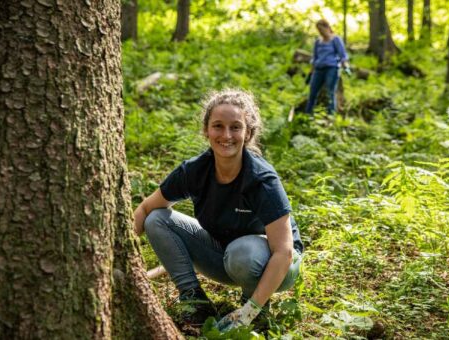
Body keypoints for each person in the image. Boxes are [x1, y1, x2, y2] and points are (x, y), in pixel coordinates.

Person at [133, 89, 304, 331]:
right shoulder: (195, 171)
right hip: (224, 256)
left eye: (235, 127)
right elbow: (146, 208)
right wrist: (115, 257)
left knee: (242, 252)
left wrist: (249, 312)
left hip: (276, 266)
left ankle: (255, 307)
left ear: (248, 132)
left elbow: (284, 253)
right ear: (206, 130)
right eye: (218, 126)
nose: (226, 135)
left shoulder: (261, 180)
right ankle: (196, 302)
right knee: (157, 219)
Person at [305, 19, 349, 115]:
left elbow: (342, 55)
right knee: (312, 92)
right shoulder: (318, 42)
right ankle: (307, 115)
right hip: (318, 69)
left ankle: (331, 116)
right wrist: (310, 73)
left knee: (330, 92)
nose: (320, 32)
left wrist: (345, 66)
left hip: (332, 69)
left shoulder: (336, 39)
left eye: (321, 29)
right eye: (318, 30)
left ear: (327, 28)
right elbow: (315, 57)